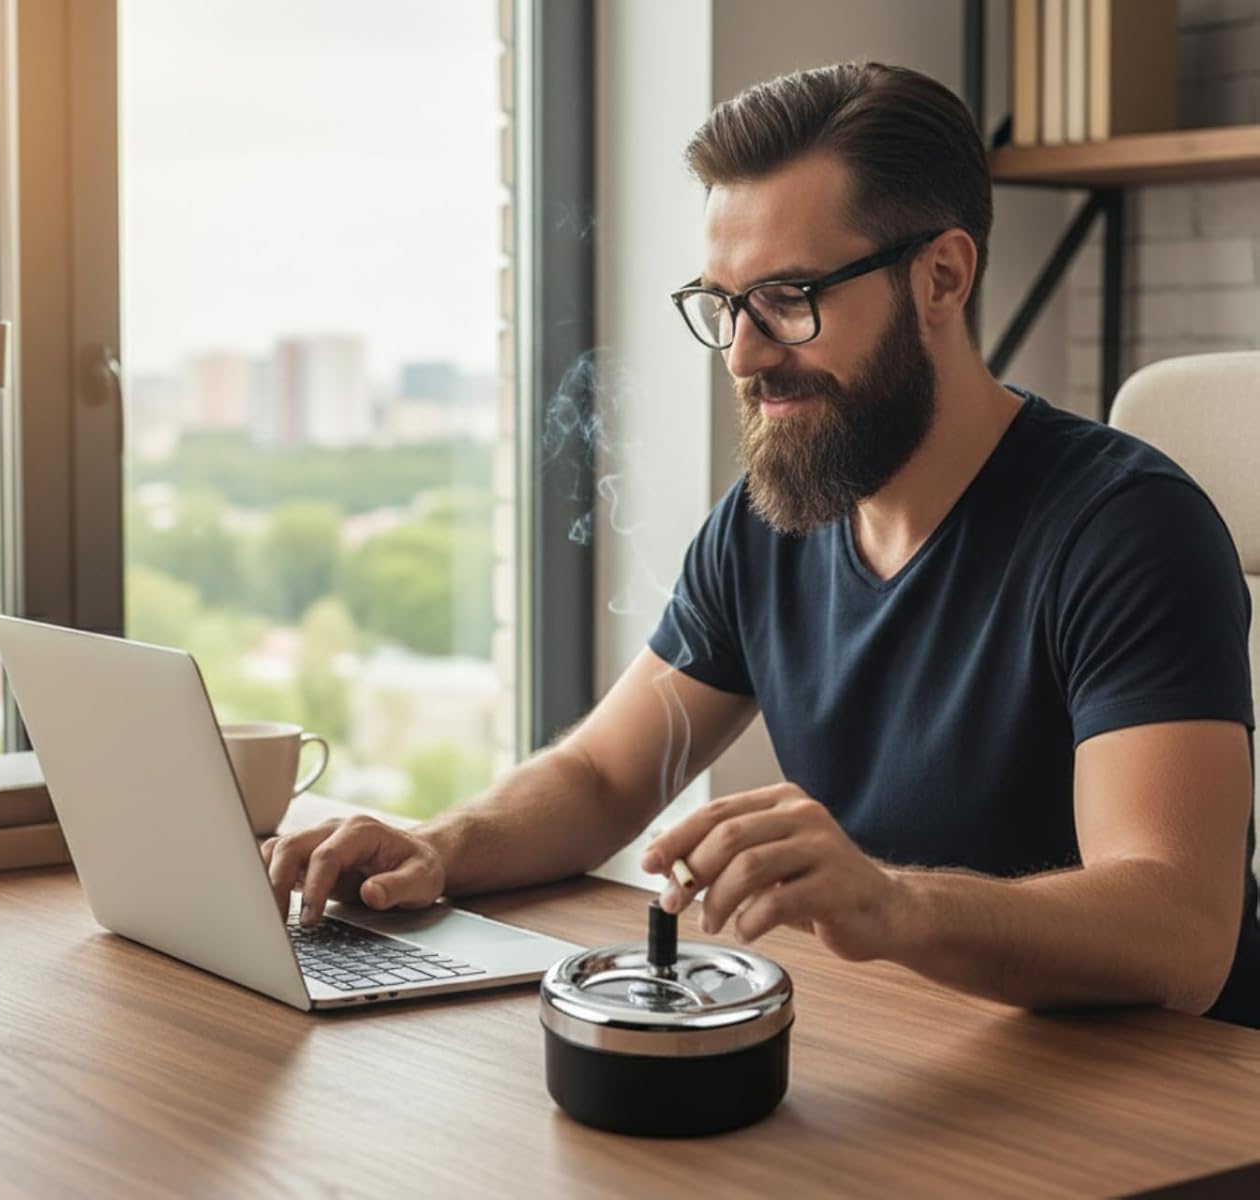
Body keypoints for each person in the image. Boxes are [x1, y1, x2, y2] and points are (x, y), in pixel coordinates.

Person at [263, 62, 1260, 1028]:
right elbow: (608, 778)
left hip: (1165, 1104)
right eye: (724, 304)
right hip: (912, 1049)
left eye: (789, 298)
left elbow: (1180, 929)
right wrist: (440, 845)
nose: (741, 355)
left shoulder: (1127, 531)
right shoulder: (771, 517)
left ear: (942, 278)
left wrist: (890, 905)